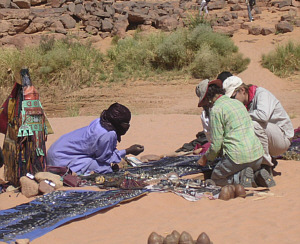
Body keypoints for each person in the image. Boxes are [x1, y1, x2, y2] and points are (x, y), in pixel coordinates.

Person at [223, 80, 294, 186]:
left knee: (253, 125)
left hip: (282, 138)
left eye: (233, 97)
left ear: (242, 90)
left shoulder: (261, 94)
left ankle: (265, 166)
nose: (233, 101)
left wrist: (241, 114)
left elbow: (263, 116)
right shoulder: (246, 103)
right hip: (270, 138)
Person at [196, 79, 264, 187]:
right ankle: (257, 175)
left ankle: (239, 178)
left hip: (238, 158)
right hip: (258, 156)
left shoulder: (216, 110)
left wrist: (205, 158)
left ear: (208, 99)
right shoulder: (237, 103)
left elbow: (216, 145)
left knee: (216, 179)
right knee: (245, 168)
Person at [47, 103, 144, 175]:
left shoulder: (99, 122)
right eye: (126, 123)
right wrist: (128, 151)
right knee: (105, 169)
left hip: (55, 153)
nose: (127, 126)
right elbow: (104, 158)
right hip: (62, 160)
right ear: (119, 123)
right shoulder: (108, 134)